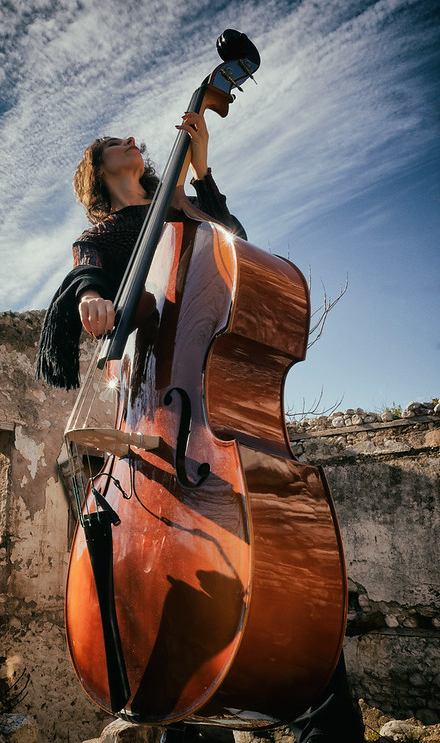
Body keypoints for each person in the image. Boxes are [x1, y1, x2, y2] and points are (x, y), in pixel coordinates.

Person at [36, 112, 365, 743]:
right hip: (151, 436)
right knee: (182, 616)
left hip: (212, 440)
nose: (130, 140)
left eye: (129, 139)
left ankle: (320, 713)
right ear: (99, 173)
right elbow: (88, 271)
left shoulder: (185, 213)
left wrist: (202, 171)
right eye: (112, 144)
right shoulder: (106, 234)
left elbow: (237, 244)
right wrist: (91, 299)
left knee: (284, 599)